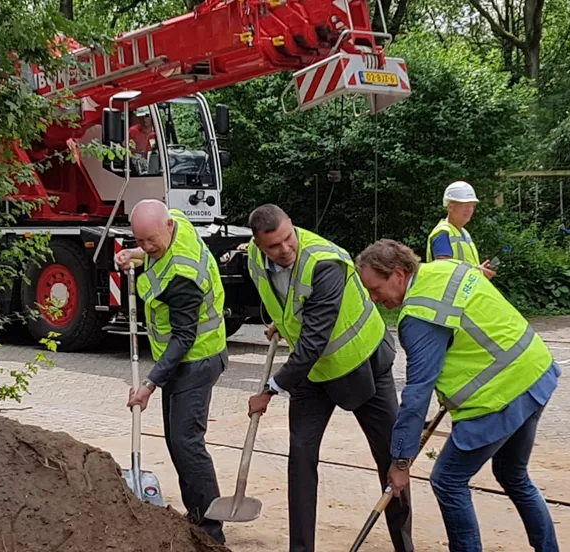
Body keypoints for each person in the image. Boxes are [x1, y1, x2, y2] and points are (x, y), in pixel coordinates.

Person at [356, 239, 561, 552]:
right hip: (535, 373)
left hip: (499, 396)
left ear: (398, 273)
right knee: (512, 473)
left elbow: (417, 392)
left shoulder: (418, 316)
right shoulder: (446, 269)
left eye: (375, 288)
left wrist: (400, 460)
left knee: (448, 480)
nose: (373, 298)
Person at [244, 204, 413, 552]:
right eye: (274, 245)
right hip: (312, 375)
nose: (286, 248)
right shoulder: (254, 259)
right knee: (301, 459)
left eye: (289, 237)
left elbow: (315, 339)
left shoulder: (325, 263)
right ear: (260, 245)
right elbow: (291, 301)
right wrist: (285, 320)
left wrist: (270, 389)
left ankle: (404, 546)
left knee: (391, 461)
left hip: (362, 364)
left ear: (293, 227)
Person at [115, 200, 227, 544]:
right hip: (181, 361)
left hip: (197, 359)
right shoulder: (175, 220)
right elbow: (149, 245)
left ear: (168, 228)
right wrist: (134, 254)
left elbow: (183, 338)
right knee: (177, 441)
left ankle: (210, 532)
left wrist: (148, 385)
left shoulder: (182, 274)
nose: (148, 247)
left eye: (151, 240)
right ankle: (196, 518)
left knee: (186, 442)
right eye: (140, 239)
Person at [426, 180, 496, 279]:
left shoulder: (464, 233)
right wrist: (477, 272)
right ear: (450, 207)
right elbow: (444, 272)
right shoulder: (443, 233)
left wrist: (479, 271)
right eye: (464, 205)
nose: (469, 210)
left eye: (472, 205)